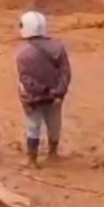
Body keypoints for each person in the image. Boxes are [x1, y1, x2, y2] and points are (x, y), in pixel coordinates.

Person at [16, 10, 72, 165]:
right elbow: (66, 73)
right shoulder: (59, 48)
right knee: (54, 124)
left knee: (33, 126)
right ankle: (53, 154)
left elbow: (27, 81)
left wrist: (43, 91)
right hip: (55, 98)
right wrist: (58, 92)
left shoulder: (23, 55)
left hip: (35, 99)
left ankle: (31, 159)